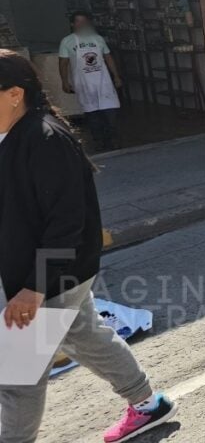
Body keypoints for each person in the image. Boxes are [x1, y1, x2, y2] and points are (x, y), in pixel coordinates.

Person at [0, 50, 177, 443]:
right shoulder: (12, 134)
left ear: (14, 94)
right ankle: (148, 404)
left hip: (50, 275)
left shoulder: (44, 139)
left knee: (17, 377)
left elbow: (66, 224)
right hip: (50, 272)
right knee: (85, 335)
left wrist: (33, 287)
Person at [58, 11, 122, 152]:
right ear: (72, 24)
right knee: (92, 115)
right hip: (83, 83)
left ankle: (113, 140)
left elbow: (108, 57)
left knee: (110, 113)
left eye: (84, 21)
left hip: (103, 82)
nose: (81, 24)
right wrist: (64, 81)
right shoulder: (67, 41)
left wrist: (116, 76)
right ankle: (99, 142)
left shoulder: (98, 39)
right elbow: (63, 63)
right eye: (78, 21)